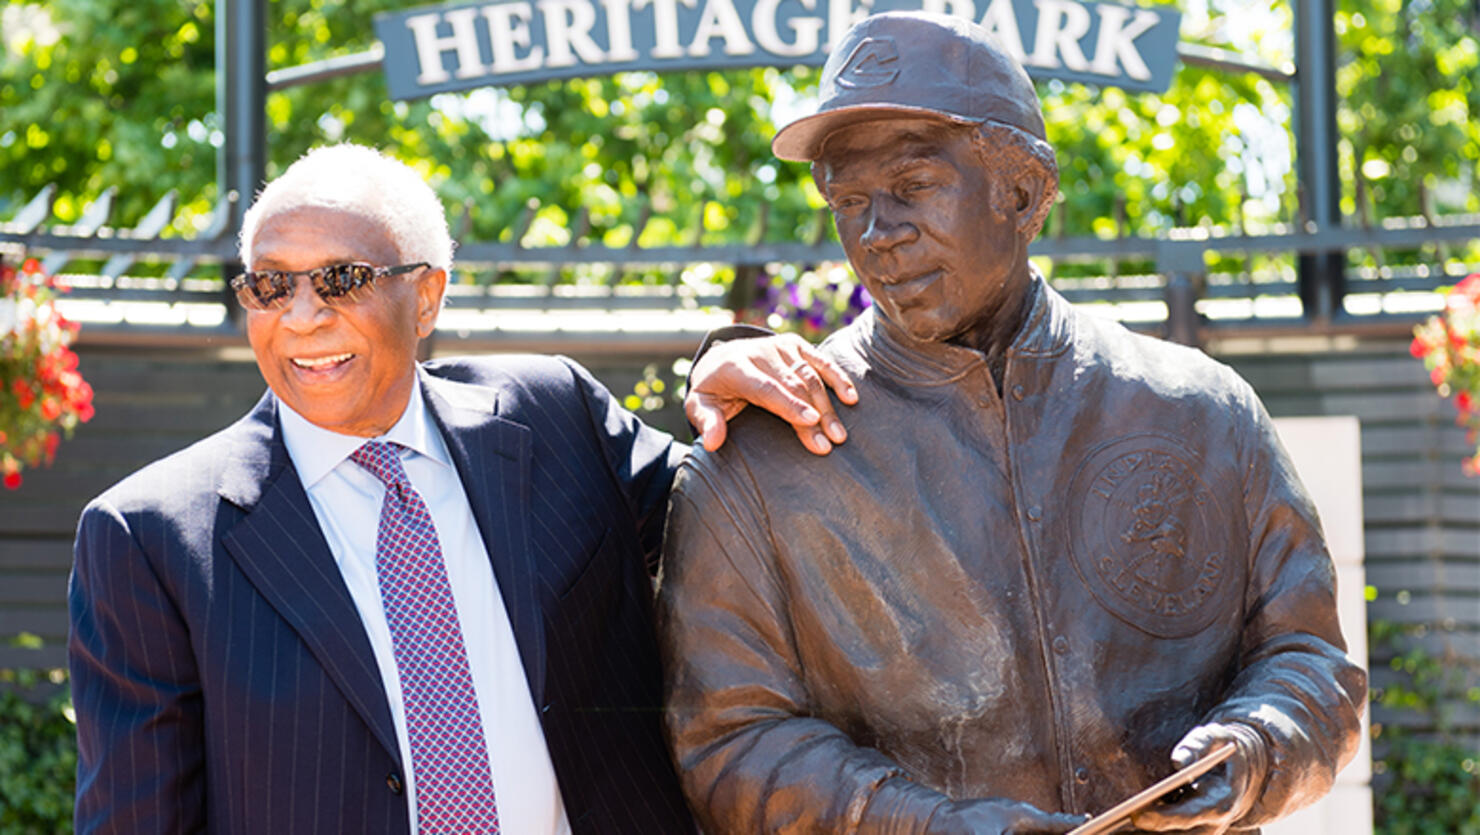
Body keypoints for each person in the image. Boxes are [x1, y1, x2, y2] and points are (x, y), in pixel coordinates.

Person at [658, 12, 1367, 835]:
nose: (878, 235)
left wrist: (1254, 748)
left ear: (1022, 193)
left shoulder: (1201, 411)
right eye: (851, 201)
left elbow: (1311, 659)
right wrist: (928, 826)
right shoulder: (757, 461)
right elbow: (729, 738)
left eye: (914, 187)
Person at [67, 143, 857, 834]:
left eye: (341, 280)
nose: (301, 318)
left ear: (428, 295)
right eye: (271, 286)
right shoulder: (151, 539)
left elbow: (734, 518)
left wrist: (726, 362)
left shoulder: (554, 416)